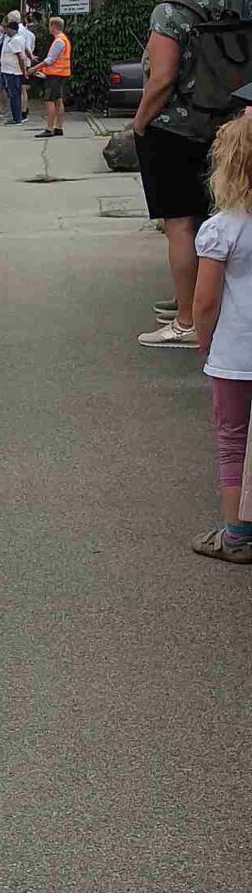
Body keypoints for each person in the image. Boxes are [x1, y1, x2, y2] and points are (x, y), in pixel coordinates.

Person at [133, 0, 242, 347]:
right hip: (223, 127)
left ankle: (187, 321)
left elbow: (162, 79)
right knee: (217, 221)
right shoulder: (227, 4)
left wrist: (140, 123)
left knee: (180, 226)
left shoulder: (170, 12)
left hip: (175, 131)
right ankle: (214, 312)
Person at [192, 110, 252, 561]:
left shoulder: (222, 228)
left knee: (233, 441)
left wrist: (204, 341)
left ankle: (237, 534)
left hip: (235, 356)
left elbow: (205, 301)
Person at [31, 11, 71, 137]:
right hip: (61, 73)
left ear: (54, 26)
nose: (49, 27)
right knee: (58, 100)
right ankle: (58, 127)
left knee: (50, 100)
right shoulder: (64, 39)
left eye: (49, 25)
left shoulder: (59, 41)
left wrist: (34, 68)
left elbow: (50, 60)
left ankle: (49, 128)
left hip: (55, 75)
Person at [0, 7, 34, 123]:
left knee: (14, 95)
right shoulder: (17, 38)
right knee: (15, 94)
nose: (5, 31)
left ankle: (17, 118)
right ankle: (16, 117)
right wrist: (31, 57)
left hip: (12, 71)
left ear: (11, 29)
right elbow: (26, 50)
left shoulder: (15, 40)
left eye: (6, 28)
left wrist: (24, 71)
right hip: (10, 70)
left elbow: (21, 56)